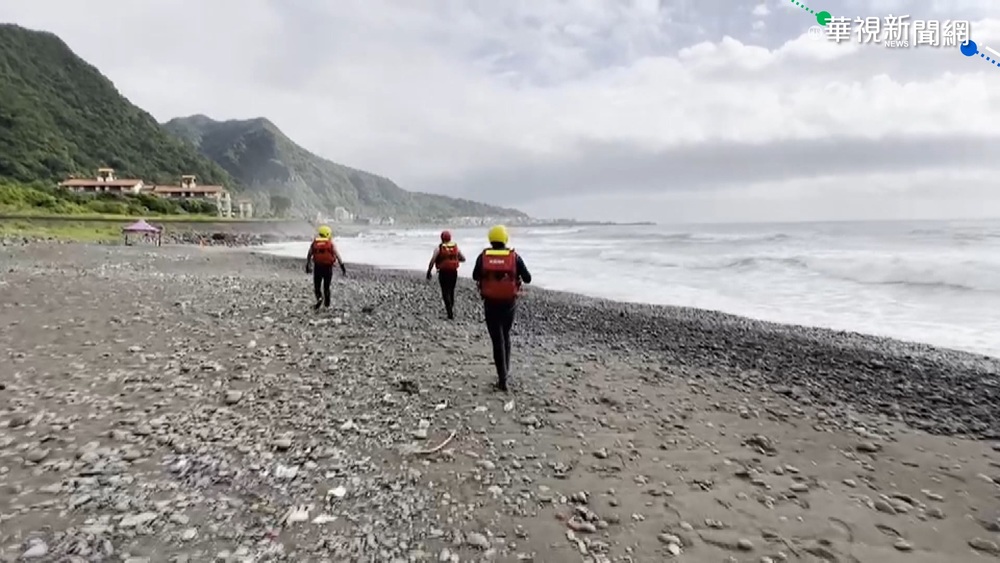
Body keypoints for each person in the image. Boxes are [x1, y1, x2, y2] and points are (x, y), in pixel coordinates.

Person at [471, 224, 531, 392]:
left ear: (491, 239)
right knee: (506, 335)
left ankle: (502, 378)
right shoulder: (515, 257)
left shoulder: (483, 257)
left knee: (497, 339)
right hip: (509, 302)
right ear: (505, 239)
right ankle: (506, 373)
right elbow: (527, 278)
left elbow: (475, 275)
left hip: (490, 302)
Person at [426, 230, 466, 319]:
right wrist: (453, 259)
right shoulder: (455, 247)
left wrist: (429, 271)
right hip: (453, 272)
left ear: (442, 238)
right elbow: (463, 258)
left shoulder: (439, 248)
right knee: (451, 290)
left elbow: (432, 260)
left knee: (445, 291)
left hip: (443, 273)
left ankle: (449, 311)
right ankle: (450, 307)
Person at [306, 225, 346, 310]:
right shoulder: (330, 244)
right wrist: (342, 267)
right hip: (328, 268)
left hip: (318, 267)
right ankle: (327, 305)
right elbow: (337, 255)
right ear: (328, 234)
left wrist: (308, 264)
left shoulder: (315, 243)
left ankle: (319, 298)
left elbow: (309, 254)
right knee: (326, 287)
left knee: (317, 286)